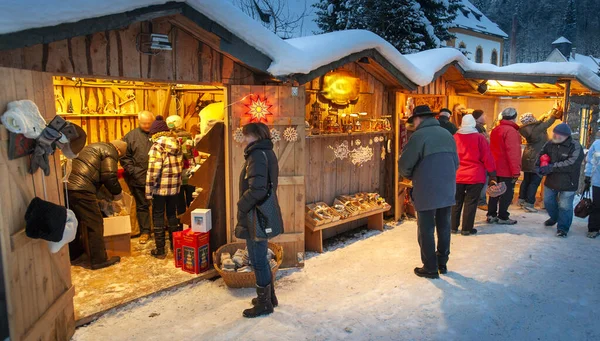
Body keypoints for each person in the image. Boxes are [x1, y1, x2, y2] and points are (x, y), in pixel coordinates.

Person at [399, 105, 458, 279]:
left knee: (426, 228)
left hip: (426, 187)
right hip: (447, 186)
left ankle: (430, 267)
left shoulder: (419, 136)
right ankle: (442, 263)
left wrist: (410, 176)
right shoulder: (447, 134)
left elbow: (405, 165)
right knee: (444, 225)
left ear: (418, 119)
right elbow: (456, 162)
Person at [236, 122, 280, 317]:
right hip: (258, 211)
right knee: (260, 257)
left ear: (254, 135)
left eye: (246, 135)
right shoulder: (266, 152)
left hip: (255, 212)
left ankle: (264, 304)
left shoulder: (256, 155)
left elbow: (258, 189)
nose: (244, 139)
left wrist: (242, 205)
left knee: (258, 259)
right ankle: (269, 297)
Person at [67, 140, 127, 270]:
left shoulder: (91, 147)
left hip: (69, 187)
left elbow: (95, 174)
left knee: (75, 221)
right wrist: (117, 194)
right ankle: (99, 260)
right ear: (118, 150)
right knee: (95, 222)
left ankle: (75, 254)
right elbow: (109, 176)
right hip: (82, 189)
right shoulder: (110, 151)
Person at [452, 114, 496, 236]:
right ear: (473, 124)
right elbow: (487, 156)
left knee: (456, 201)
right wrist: (492, 173)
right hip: (475, 175)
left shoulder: (454, 137)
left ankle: (453, 227)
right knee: (471, 202)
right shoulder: (479, 138)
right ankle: (466, 229)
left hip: (457, 175)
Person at [145, 116, 183, 258]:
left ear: (155, 134)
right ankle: (175, 247)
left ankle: (160, 250)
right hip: (174, 188)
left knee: (158, 216)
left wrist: (148, 192)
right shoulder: (176, 144)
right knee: (172, 215)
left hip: (160, 189)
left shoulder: (157, 146)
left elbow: (153, 172)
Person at [537, 123, 583, 238]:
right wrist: (539, 167)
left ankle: (563, 228)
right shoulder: (550, 143)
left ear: (567, 136)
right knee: (548, 202)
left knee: (565, 206)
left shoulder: (575, 146)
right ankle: (554, 217)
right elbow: (541, 155)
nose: (556, 136)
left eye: (560, 135)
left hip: (568, 182)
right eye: (555, 133)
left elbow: (571, 163)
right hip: (551, 180)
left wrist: (551, 167)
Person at [518, 105, 563, 212]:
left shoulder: (527, 129)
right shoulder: (536, 130)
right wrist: (553, 114)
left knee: (527, 180)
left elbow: (538, 124)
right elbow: (548, 122)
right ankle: (529, 203)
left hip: (528, 156)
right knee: (534, 181)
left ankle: (522, 199)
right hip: (536, 157)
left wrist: (543, 116)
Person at [121, 111, 155, 244]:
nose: (147, 126)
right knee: (142, 206)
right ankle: (145, 232)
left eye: (149, 123)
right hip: (138, 177)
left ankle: (160, 230)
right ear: (138, 122)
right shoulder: (130, 136)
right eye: (144, 123)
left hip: (157, 177)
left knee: (159, 205)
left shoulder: (158, 135)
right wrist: (133, 171)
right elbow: (124, 157)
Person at [487, 107, 521, 225]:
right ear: (514, 117)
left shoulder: (496, 129)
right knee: (506, 194)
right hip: (506, 168)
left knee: (495, 191)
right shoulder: (511, 131)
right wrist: (516, 171)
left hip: (495, 167)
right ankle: (503, 216)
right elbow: (513, 153)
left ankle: (491, 214)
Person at [166, 115, 197, 222]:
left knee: (179, 202)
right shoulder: (189, 137)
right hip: (189, 172)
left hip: (176, 173)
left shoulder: (169, 139)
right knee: (191, 199)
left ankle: (182, 223)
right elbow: (193, 154)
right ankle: (192, 223)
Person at [473, 109, 490, 210]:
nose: (486, 117)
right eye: (484, 115)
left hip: (478, 159)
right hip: (480, 159)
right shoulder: (478, 128)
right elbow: (485, 143)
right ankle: (481, 201)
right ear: (478, 117)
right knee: (483, 180)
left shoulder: (478, 127)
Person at [584, 139, 600, 238]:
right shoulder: (597, 144)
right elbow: (590, 161)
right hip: (598, 181)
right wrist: (588, 176)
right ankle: (593, 228)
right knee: (597, 205)